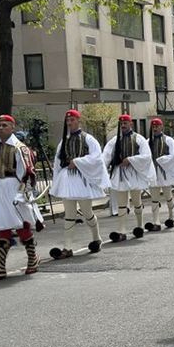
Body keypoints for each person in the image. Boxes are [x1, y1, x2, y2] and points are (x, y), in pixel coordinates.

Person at [0, 114, 44, 282]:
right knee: (1, 225)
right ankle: (0, 267)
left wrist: (23, 193)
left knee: (22, 225)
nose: (1, 128)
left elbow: (26, 172)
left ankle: (32, 258)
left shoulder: (19, 148)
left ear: (12, 127)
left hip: (14, 188)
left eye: (5, 125)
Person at [49, 109, 110, 259]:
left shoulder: (89, 139)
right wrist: (56, 181)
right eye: (68, 121)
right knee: (69, 214)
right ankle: (67, 247)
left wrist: (77, 162)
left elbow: (96, 158)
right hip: (67, 181)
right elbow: (57, 162)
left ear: (78, 121)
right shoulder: (63, 141)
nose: (69, 123)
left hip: (82, 181)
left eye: (72, 120)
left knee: (87, 212)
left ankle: (96, 238)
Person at [102, 114, 155, 242]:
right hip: (120, 174)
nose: (123, 125)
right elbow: (106, 156)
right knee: (121, 203)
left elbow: (146, 156)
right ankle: (122, 230)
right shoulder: (114, 140)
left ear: (131, 124)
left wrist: (130, 160)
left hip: (134, 173)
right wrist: (102, 171)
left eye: (125, 123)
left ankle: (139, 226)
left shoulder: (139, 139)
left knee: (137, 201)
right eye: (121, 123)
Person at [146, 118, 174, 232]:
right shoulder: (148, 141)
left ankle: (172, 217)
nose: (155, 128)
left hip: (165, 172)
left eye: (157, 126)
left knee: (168, 196)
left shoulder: (169, 140)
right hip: (153, 173)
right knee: (154, 198)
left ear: (162, 127)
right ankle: (156, 222)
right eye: (153, 127)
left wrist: (163, 160)